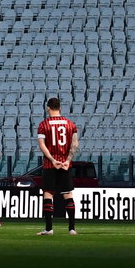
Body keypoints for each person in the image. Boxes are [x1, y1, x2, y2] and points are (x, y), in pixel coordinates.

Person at [37, 97, 79, 236]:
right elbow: (75, 144)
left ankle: (49, 229)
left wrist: (52, 160)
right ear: (60, 108)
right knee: (68, 194)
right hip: (66, 165)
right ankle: (72, 229)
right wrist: (68, 160)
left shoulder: (44, 124)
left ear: (48, 108)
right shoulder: (70, 124)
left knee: (48, 194)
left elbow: (42, 145)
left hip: (50, 164)